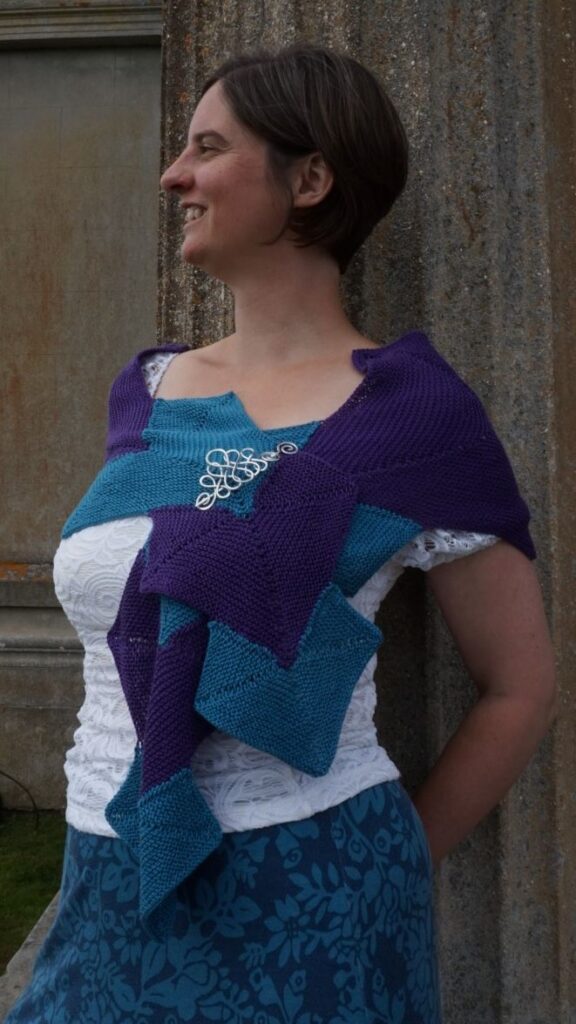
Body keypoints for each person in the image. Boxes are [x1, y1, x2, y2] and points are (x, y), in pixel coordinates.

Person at [7, 42, 555, 1024]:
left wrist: (386, 865)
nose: (174, 174)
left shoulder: (412, 420)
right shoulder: (146, 394)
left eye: (208, 148)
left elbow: (521, 686)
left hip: (314, 884)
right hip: (106, 874)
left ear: (308, 179)